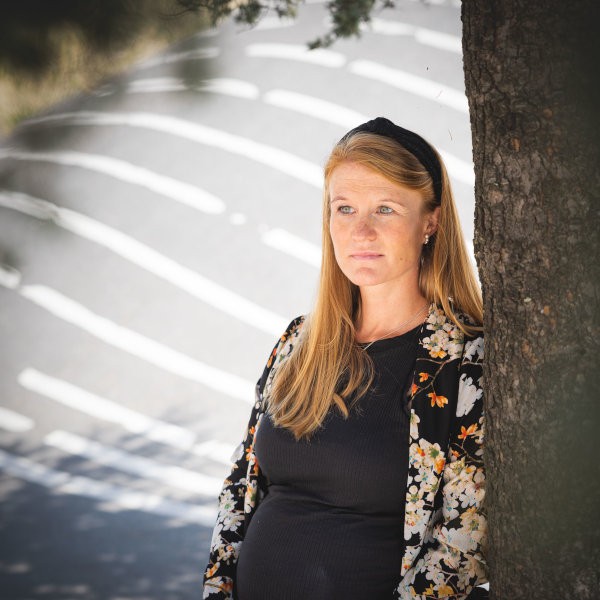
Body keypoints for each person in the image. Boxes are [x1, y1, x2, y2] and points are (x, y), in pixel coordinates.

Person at [203, 117, 487, 599]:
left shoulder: (465, 364)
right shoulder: (299, 342)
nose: (361, 230)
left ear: (430, 221)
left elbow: (462, 542)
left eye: (385, 209)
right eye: (345, 208)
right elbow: (240, 488)